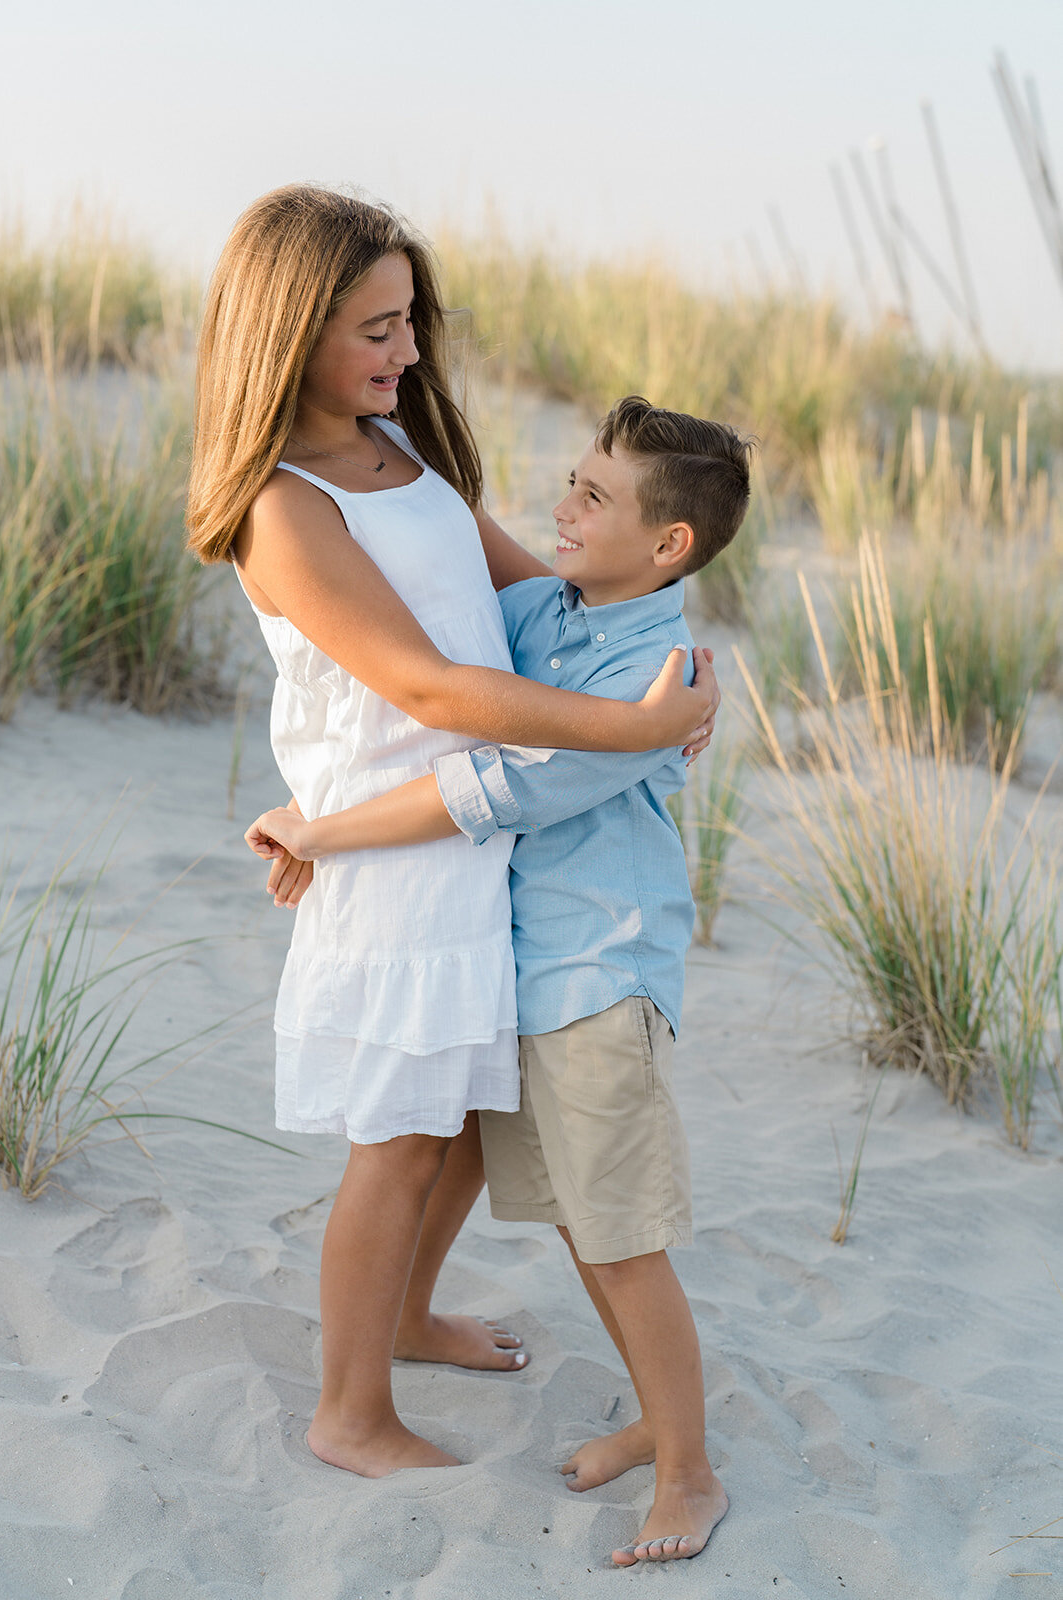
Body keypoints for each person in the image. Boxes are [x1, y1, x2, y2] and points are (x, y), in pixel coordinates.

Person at [186, 187, 720, 1482]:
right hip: (397, 853)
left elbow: (535, 591)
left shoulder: (398, 457)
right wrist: (621, 733)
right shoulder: (286, 506)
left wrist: (660, 667)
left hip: (482, 844)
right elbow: (426, 688)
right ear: (291, 329)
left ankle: (411, 1322)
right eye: (377, 327)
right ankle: (347, 1411)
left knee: (469, 1122)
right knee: (401, 1141)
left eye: (411, 320)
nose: (408, 351)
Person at [245, 395, 752, 1566]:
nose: (559, 507)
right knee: (572, 1218)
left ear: (668, 545)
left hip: (594, 974)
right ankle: (643, 1416)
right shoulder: (550, 613)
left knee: (618, 1234)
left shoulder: (647, 678)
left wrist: (329, 835)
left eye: (591, 496)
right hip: (523, 965)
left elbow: (492, 786)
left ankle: (689, 1469)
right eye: (570, 482)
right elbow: (454, 672)